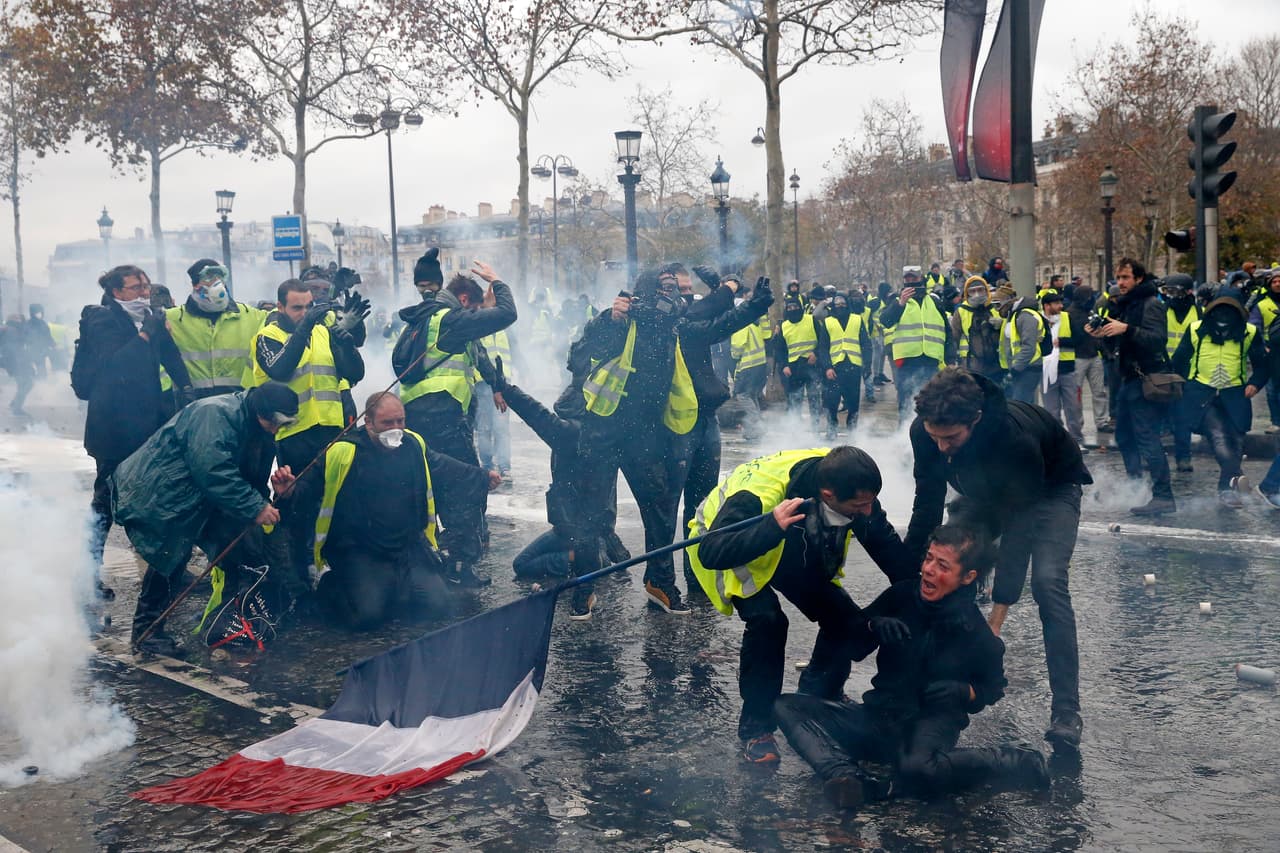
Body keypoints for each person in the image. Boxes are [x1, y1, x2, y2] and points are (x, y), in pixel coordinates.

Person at [774, 524, 1048, 808]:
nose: (928, 570)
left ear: (968, 576)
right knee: (786, 706)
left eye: (942, 565)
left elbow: (992, 688)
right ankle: (845, 775)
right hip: (878, 717)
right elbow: (853, 648)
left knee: (919, 769)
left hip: (929, 724)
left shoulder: (976, 632)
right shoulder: (901, 595)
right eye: (928, 558)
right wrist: (872, 625)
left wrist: (963, 691)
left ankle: (1015, 760)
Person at [687, 446, 916, 763]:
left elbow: (884, 544)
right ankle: (756, 729)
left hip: (784, 537)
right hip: (735, 543)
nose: (867, 511)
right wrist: (772, 527)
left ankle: (818, 697)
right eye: (859, 506)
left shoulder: (851, 483)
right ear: (828, 495)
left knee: (840, 615)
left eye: (870, 503)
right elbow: (711, 552)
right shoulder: (756, 497)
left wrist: (922, 590)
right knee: (768, 621)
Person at [906, 367, 1092, 753]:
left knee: (1047, 583)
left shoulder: (1013, 438)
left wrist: (997, 616)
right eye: (935, 437)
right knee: (948, 561)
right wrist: (909, 573)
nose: (941, 447)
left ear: (975, 420)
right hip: (986, 493)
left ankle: (1066, 712)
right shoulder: (925, 431)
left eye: (951, 438)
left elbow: (1019, 529)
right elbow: (927, 502)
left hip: (1049, 490)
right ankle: (928, 686)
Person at [112, 382, 300, 656]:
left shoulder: (261, 431)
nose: (275, 429)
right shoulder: (214, 415)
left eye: (281, 425)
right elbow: (212, 471)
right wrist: (254, 506)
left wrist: (277, 497)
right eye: (273, 422)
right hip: (163, 490)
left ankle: (232, 616)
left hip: (202, 495)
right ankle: (146, 632)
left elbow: (251, 482)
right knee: (170, 554)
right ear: (260, 411)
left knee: (240, 547)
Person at [565, 268, 698, 617]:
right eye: (665, 288)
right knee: (591, 512)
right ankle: (584, 589)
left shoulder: (671, 326)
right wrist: (607, 321)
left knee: (659, 511)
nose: (673, 296)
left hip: (646, 435)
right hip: (604, 430)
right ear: (645, 293)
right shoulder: (620, 320)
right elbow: (577, 357)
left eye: (675, 289)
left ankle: (660, 583)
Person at [313, 393, 497, 629]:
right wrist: (288, 491)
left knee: (438, 606)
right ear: (368, 422)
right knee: (367, 617)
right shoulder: (345, 451)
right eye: (387, 423)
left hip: (407, 547)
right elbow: (311, 484)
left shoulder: (412, 444)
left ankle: (390, 588)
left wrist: (482, 477)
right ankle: (332, 585)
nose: (396, 428)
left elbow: (442, 464)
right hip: (362, 550)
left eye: (400, 421)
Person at [72, 265, 192, 600]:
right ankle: (87, 575)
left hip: (147, 424)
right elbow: (117, 366)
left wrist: (187, 389)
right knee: (106, 502)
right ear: (116, 292)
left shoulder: (149, 319)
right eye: (136, 288)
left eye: (146, 286)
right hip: (112, 428)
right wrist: (145, 335)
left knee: (157, 497)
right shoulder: (102, 320)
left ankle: (165, 571)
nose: (144, 293)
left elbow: (170, 357)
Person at [253, 278, 365, 588]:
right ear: (280, 307)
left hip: (332, 430)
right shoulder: (267, 336)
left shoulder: (323, 332)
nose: (304, 313)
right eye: (297, 308)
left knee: (340, 501)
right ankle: (298, 577)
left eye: (308, 306)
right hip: (294, 433)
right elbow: (280, 369)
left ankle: (337, 566)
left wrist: (346, 341)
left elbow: (354, 373)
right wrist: (305, 328)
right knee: (299, 508)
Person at [489, 360, 631, 593]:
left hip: (571, 530)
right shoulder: (606, 430)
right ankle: (601, 545)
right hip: (591, 525)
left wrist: (507, 390)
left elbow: (538, 415)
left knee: (522, 564)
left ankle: (586, 558)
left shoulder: (572, 434)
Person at [676, 268, 774, 600]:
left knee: (702, 506)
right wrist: (730, 290)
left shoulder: (687, 315)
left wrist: (743, 300)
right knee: (667, 513)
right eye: (680, 289)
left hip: (705, 419)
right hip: (676, 425)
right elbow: (715, 323)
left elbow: (716, 318)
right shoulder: (670, 321)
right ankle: (662, 581)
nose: (687, 295)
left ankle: (697, 579)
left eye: (689, 289)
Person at [395, 249, 517, 467]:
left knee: (429, 478)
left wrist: (496, 386)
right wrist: (496, 280)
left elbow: (479, 354)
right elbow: (508, 314)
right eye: (476, 309)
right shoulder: (453, 320)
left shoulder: (424, 317)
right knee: (466, 480)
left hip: (415, 413)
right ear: (463, 299)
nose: (476, 314)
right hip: (443, 417)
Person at [1087, 258, 1176, 515]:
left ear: (1138, 278)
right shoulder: (1127, 305)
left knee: (1147, 437)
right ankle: (1137, 486)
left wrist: (1127, 328)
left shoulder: (1151, 304)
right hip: (1128, 380)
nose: (1121, 283)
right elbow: (1116, 349)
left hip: (1146, 379)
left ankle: (1164, 496)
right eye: (1118, 278)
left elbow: (1157, 340)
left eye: (1126, 277)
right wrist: (1101, 336)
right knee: (1124, 436)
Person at [1171, 287, 1267, 508]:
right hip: (1202, 394)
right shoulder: (1196, 329)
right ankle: (1233, 481)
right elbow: (1179, 360)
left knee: (1237, 440)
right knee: (1219, 436)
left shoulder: (1249, 332)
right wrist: (1184, 386)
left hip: (1235, 394)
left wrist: (1255, 383)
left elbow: (1262, 364)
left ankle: (1228, 484)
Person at [165, 260, 268, 403]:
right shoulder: (173, 319)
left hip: (239, 406)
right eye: (209, 277)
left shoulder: (251, 316)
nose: (217, 282)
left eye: (220, 276)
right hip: (192, 406)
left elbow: (278, 318)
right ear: (196, 285)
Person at [878, 267, 951, 421]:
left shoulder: (934, 301)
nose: (911, 281)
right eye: (908, 279)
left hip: (931, 360)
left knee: (931, 402)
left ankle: (926, 430)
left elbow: (947, 330)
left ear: (921, 279)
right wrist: (901, 303)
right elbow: (885, 321)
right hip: (907, 362)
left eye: (914, 278)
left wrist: (950, 358)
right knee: (906, 401)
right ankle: (904, 432)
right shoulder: (896, 300)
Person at [815, 293, 870, 439]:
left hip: (853, 366)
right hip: (834, 368)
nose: (840, 306)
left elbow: (865, 343)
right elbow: (823, 348)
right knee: (831, 401)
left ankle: (853, 431)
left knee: (853, 402)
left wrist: (867, 364)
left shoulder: (857, 319)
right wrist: (827, 367)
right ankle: (831, 428)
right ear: (833, 306)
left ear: (848, 304)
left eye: (843, 303)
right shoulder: (828, 322)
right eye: (837, 304)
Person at [1163, 274, 1202, 471]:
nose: (1171, 296)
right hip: (1163, 368)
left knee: (1182, 416)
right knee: (1157, 414)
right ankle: (1154, 456)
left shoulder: (1199, 312)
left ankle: (1183, 457)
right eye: (1168, 291)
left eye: (1175, 291)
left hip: (1188, 371)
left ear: (1188, 291)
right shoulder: (1162, 310)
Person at [1039, 291, 1084, 447]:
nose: (1061, 306)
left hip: (1067, 369)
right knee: (1051, 410)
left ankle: (1077, 439)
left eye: (1060, 302)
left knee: (1073, 407)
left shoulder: (1066, 317)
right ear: (1047, 306)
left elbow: (1079, 339)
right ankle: (1058, 441)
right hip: (1046, 370)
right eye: (1057, 303)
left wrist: (1062, 341)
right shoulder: (1038, 320)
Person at [1065, 285, 1111, 437]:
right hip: (1078, 357)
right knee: (1076, 393)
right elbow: (1071, 338)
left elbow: (1096, 335)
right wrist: (1084, 332)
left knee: (1099, 391)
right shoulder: (1069, 314)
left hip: (1093, 355)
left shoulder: (1089, 312)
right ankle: (1077, 423)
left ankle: (1102, 421)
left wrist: (1103, 350)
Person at [773, 295, 822, 424]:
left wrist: (816, 354)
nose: (792, 309)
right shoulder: (784, 326)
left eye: (795, 306)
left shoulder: (811, 320)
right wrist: (784, 366)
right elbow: (780, 350)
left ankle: (816, 427)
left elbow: (823, 340)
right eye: (789, 307)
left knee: (814, 398)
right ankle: (795, 428)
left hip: (812, 364)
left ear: (800, 307)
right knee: (795, 400)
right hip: (794, 368)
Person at [1247, 268, 1280, 434]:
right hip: (1271, 353)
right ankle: (1276, 421)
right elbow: (1254, 328)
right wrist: (1262, 346)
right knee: (1272, 389)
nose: (1278, 284)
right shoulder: (1262, 305)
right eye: (1274, 281)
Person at [951, 276, 1001, 381]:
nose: (977, 294)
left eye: (980, 290)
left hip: (995, 363)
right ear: (967, 293)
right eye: (972, 291)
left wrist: (1001, 325)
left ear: (986, 290)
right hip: (971, 364)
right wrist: (954, 361)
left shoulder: (994, 309)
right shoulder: (961, 311)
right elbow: (954, 337)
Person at [1000, 294, 1046, 404]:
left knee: (1020, 404)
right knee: (1025, 403)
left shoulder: (1025, 316)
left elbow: (1029, 347)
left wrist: (1015, 369)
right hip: (1025, 367)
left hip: (1028, 367)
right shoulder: (1019, 315)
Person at [1, 316, 34, 416]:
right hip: (16, 362)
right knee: (26, 384)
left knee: (24, 384)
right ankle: (16, 408)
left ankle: (14, 404)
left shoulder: (10, 329)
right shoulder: (12, 331)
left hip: (14, 362)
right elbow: (13, 349)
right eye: (19, 319)